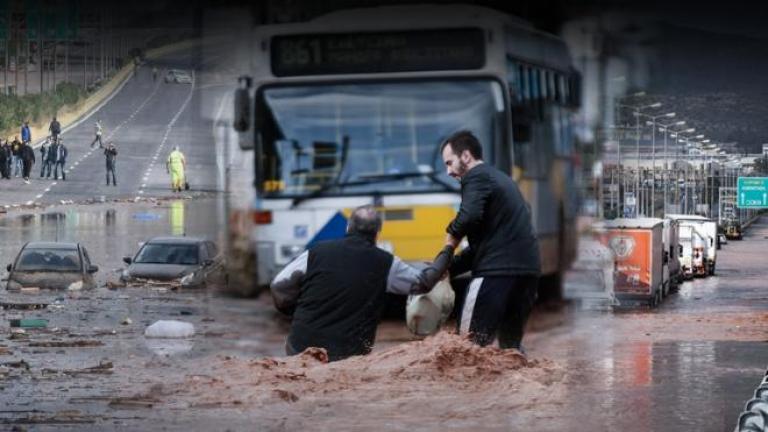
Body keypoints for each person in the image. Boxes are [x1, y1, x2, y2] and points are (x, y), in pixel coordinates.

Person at [270, 205, 452, 362]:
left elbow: (278, 286)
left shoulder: (315, 252)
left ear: (348, 227)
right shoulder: (386, 263)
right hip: (349, 353)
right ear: (377, 233)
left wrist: (293, 314)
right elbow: (423, 283)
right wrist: (448, 250)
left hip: (300, 346)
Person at [440, 130, 540, 352]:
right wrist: (449, 268)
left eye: (449, 163)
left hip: (495, 274)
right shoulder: (502, 179)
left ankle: (464, 389)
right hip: (527, 274)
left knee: (466, 349)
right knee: (510, 349)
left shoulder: (476, 177)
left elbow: (468, 216)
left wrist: (448, 244)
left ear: (466, 156)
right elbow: (484, 245)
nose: (448, 171)